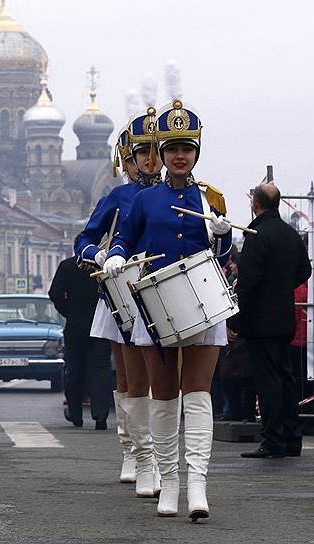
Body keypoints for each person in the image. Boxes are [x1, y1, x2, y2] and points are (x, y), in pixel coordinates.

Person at [105, 99, 231, 520]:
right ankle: (168, 482)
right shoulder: (144, 200)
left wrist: (222, 232)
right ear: (161, 153)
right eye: (173, 148)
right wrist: (115, 257)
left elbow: (223, 252)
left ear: (196, 152)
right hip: (156, 307)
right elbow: (123, 238)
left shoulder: (211, 197)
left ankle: (197, 485)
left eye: (187, 148)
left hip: (203, 305)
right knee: (164, 398)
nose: (180, 156)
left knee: (197, 397)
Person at [75, 114, 162, 496]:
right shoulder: (118, 197)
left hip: (164, 291)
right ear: (125, 161)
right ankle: (134, 451)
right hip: (123, 292)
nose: (150, 160)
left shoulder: (180, 192)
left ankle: (160, 455)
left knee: (164, 379)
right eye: (142, 153)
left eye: (156, 152)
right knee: (129, 378)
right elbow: (84, 239)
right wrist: (99, 255)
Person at [232, 184, 311, 458]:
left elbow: (248, 283)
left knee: (268, 381)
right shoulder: (290, 235)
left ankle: (273, 440)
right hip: (285, 317)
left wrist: (237, 321)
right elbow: (305, 270)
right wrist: (281, 288)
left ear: (255, 203)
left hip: (260, 320)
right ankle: (292, 438)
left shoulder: (256, 234)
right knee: (286, 378)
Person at [49, 245, 111, 430]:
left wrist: (69, 312)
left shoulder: (67, 266)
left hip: (75, 326)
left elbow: (55, 294)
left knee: (74, 369)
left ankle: (76, 414)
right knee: (100, 369)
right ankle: (100, 417)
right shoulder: (103, 266)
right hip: (101, 326)